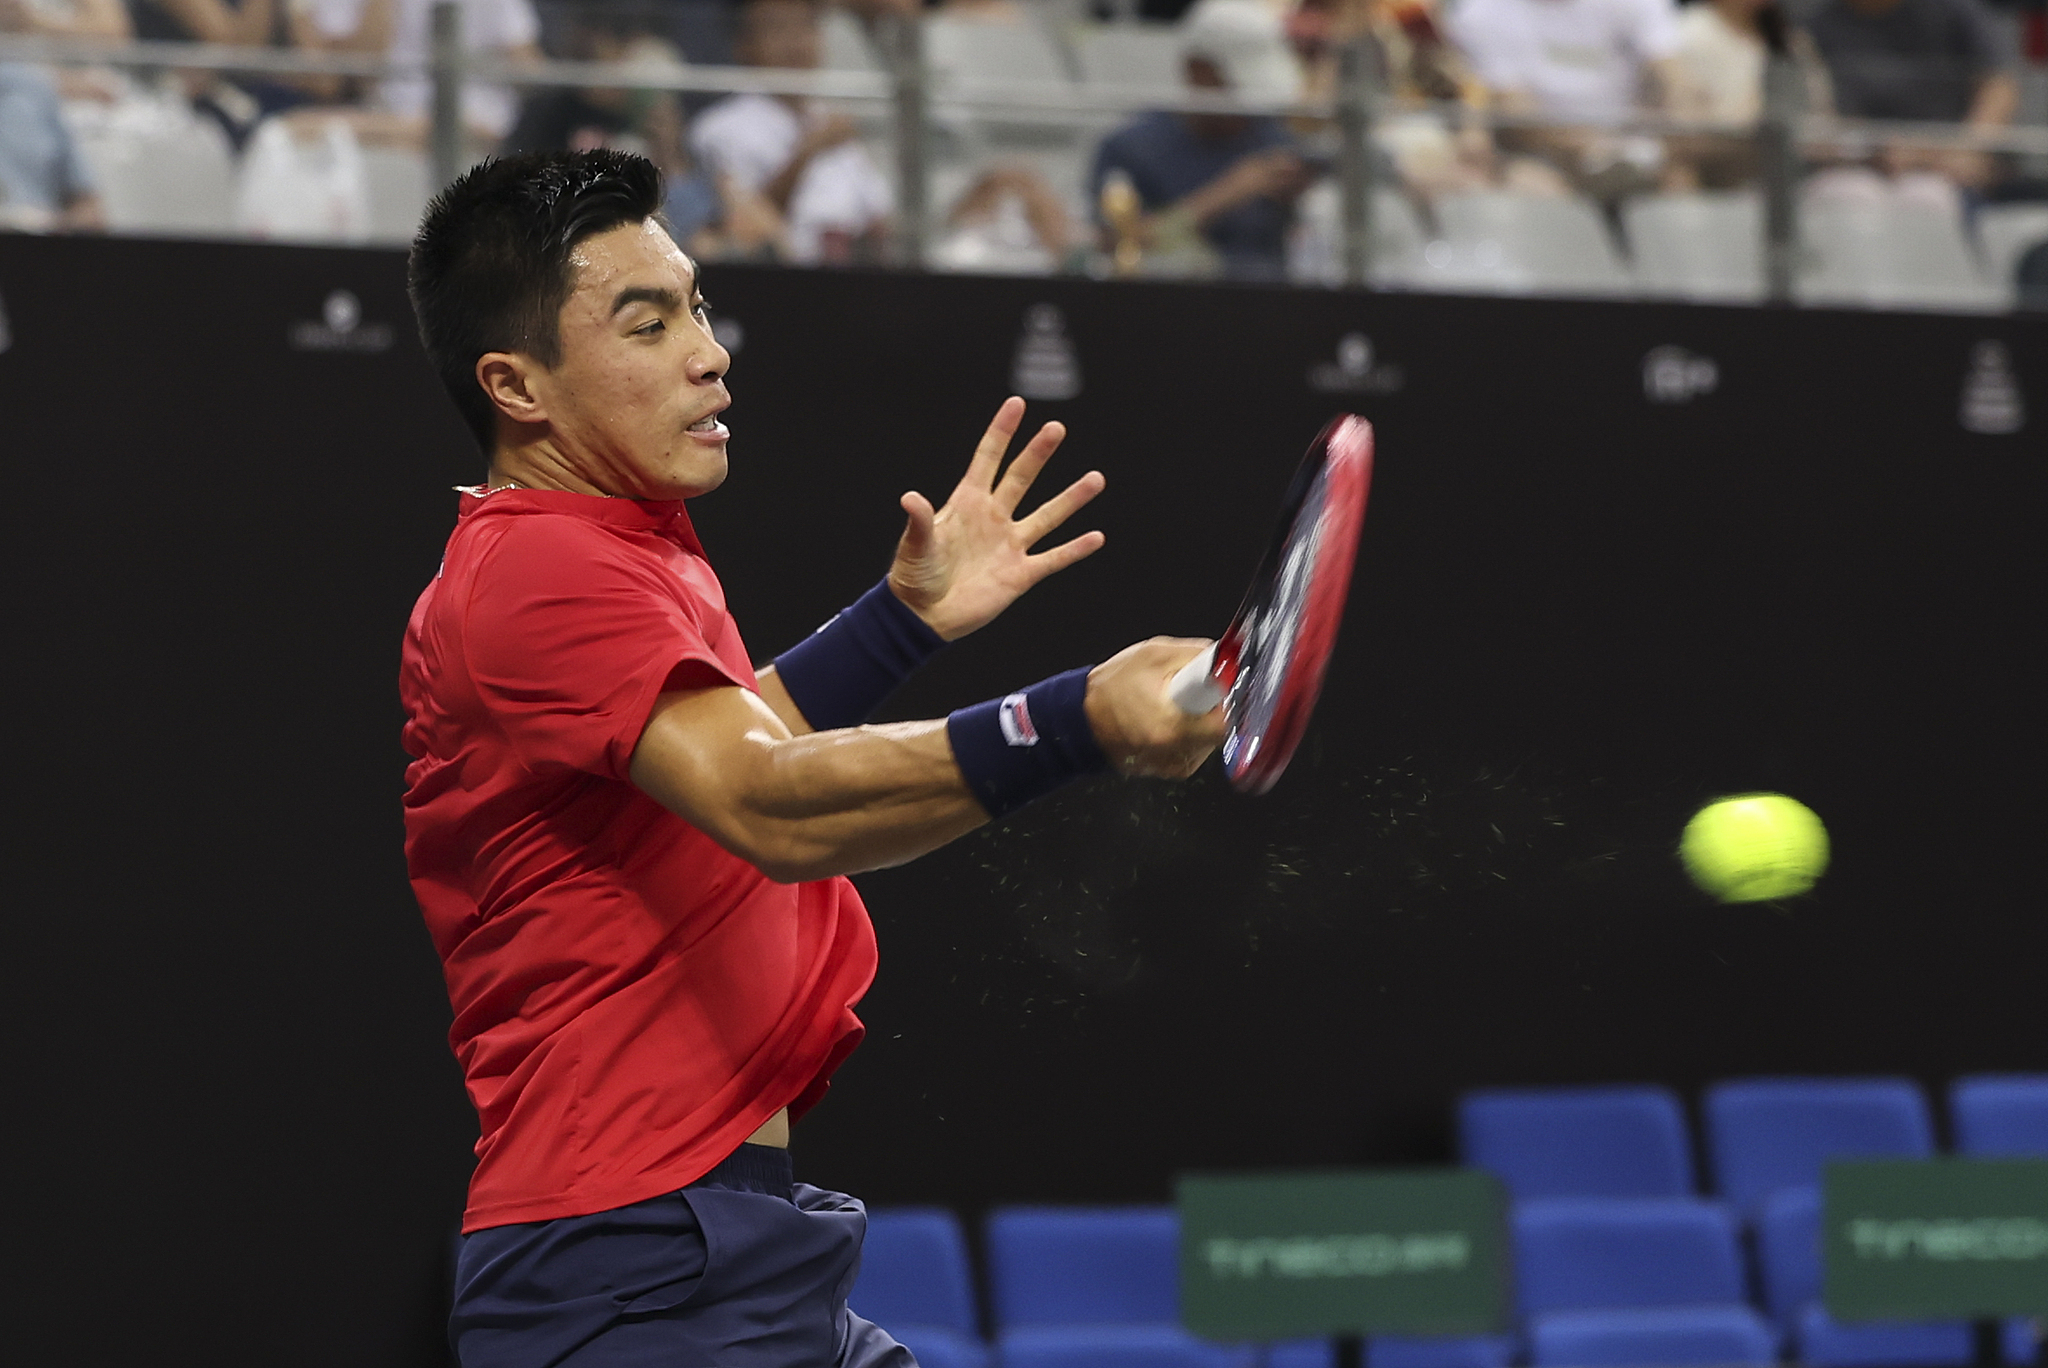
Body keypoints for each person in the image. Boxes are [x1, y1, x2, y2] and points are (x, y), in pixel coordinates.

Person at [401, 148, 1224, 1366]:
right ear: (516, 387)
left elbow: (725, 751)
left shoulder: (619, 552)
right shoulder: (540, 572)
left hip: (730, 1244)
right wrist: (1074, 721)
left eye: (696, 304)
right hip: (630, 1271)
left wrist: (902, 624)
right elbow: (767, 805)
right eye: (648, 322)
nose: (709, 349)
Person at [1088, 0, 1316, 280]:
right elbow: (1114, 244)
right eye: (1236, 86)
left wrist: (1301, 201)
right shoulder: (1132, 148)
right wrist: (1229, 192)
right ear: (1197, 71)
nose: (1250, 109)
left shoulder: (1271, 137)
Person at [689, 0, 892, 265]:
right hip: (776, 278)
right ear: (744, 46)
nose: (795, 42)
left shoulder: (832, 120)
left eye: (805, 27)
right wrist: (808, 152)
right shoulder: (719, 128)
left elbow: (879, 216)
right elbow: (747, 228)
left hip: (852, 273)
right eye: (778, 29)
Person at [1446, 0, 1685, 197]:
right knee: (1530, 186)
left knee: (1680, 177)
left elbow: (1674, 73)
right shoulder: (1481, 12)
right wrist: (1593, 148)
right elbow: (1516, 107)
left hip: (1639, 144)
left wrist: (1676, 117)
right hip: (1543, 156)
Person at [1803, 0, 2018, 196]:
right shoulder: (1817, 24)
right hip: (1858, 163)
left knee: (1924, 195)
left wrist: (1963, 150)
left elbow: (1999, 85)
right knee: (1845, 192)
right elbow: (1816, 118)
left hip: (1943, 164)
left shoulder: (1957, 11)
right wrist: (1864, 150)